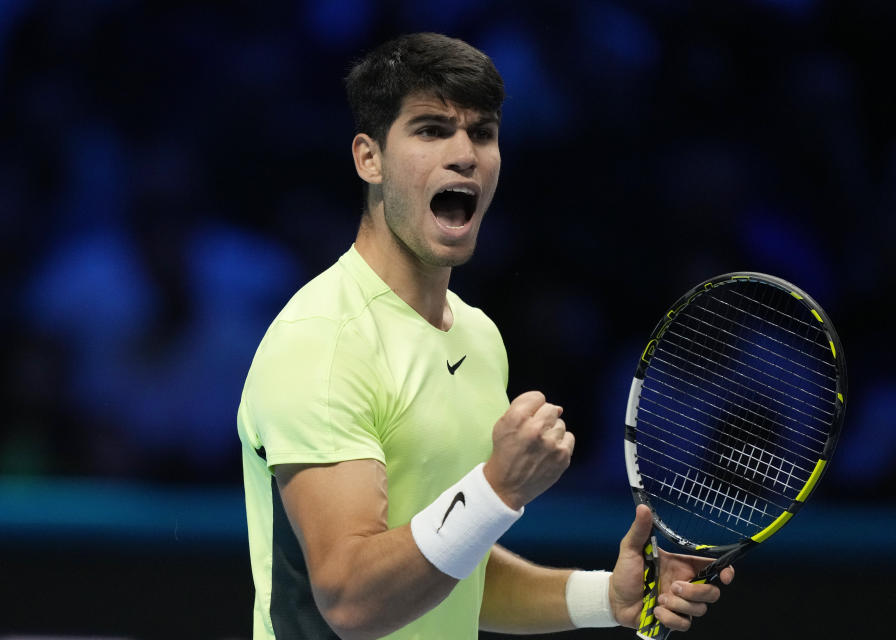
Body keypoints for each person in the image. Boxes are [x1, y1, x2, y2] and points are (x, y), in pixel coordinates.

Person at [237, 32, 734, 639]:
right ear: (369, 159)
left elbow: (450, 568)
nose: (465, 153)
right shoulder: (324, 341)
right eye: (430, 129)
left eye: (483, 132)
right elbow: (353, 600)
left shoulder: (477, 334)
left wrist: (606, 597)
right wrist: (497, 488)